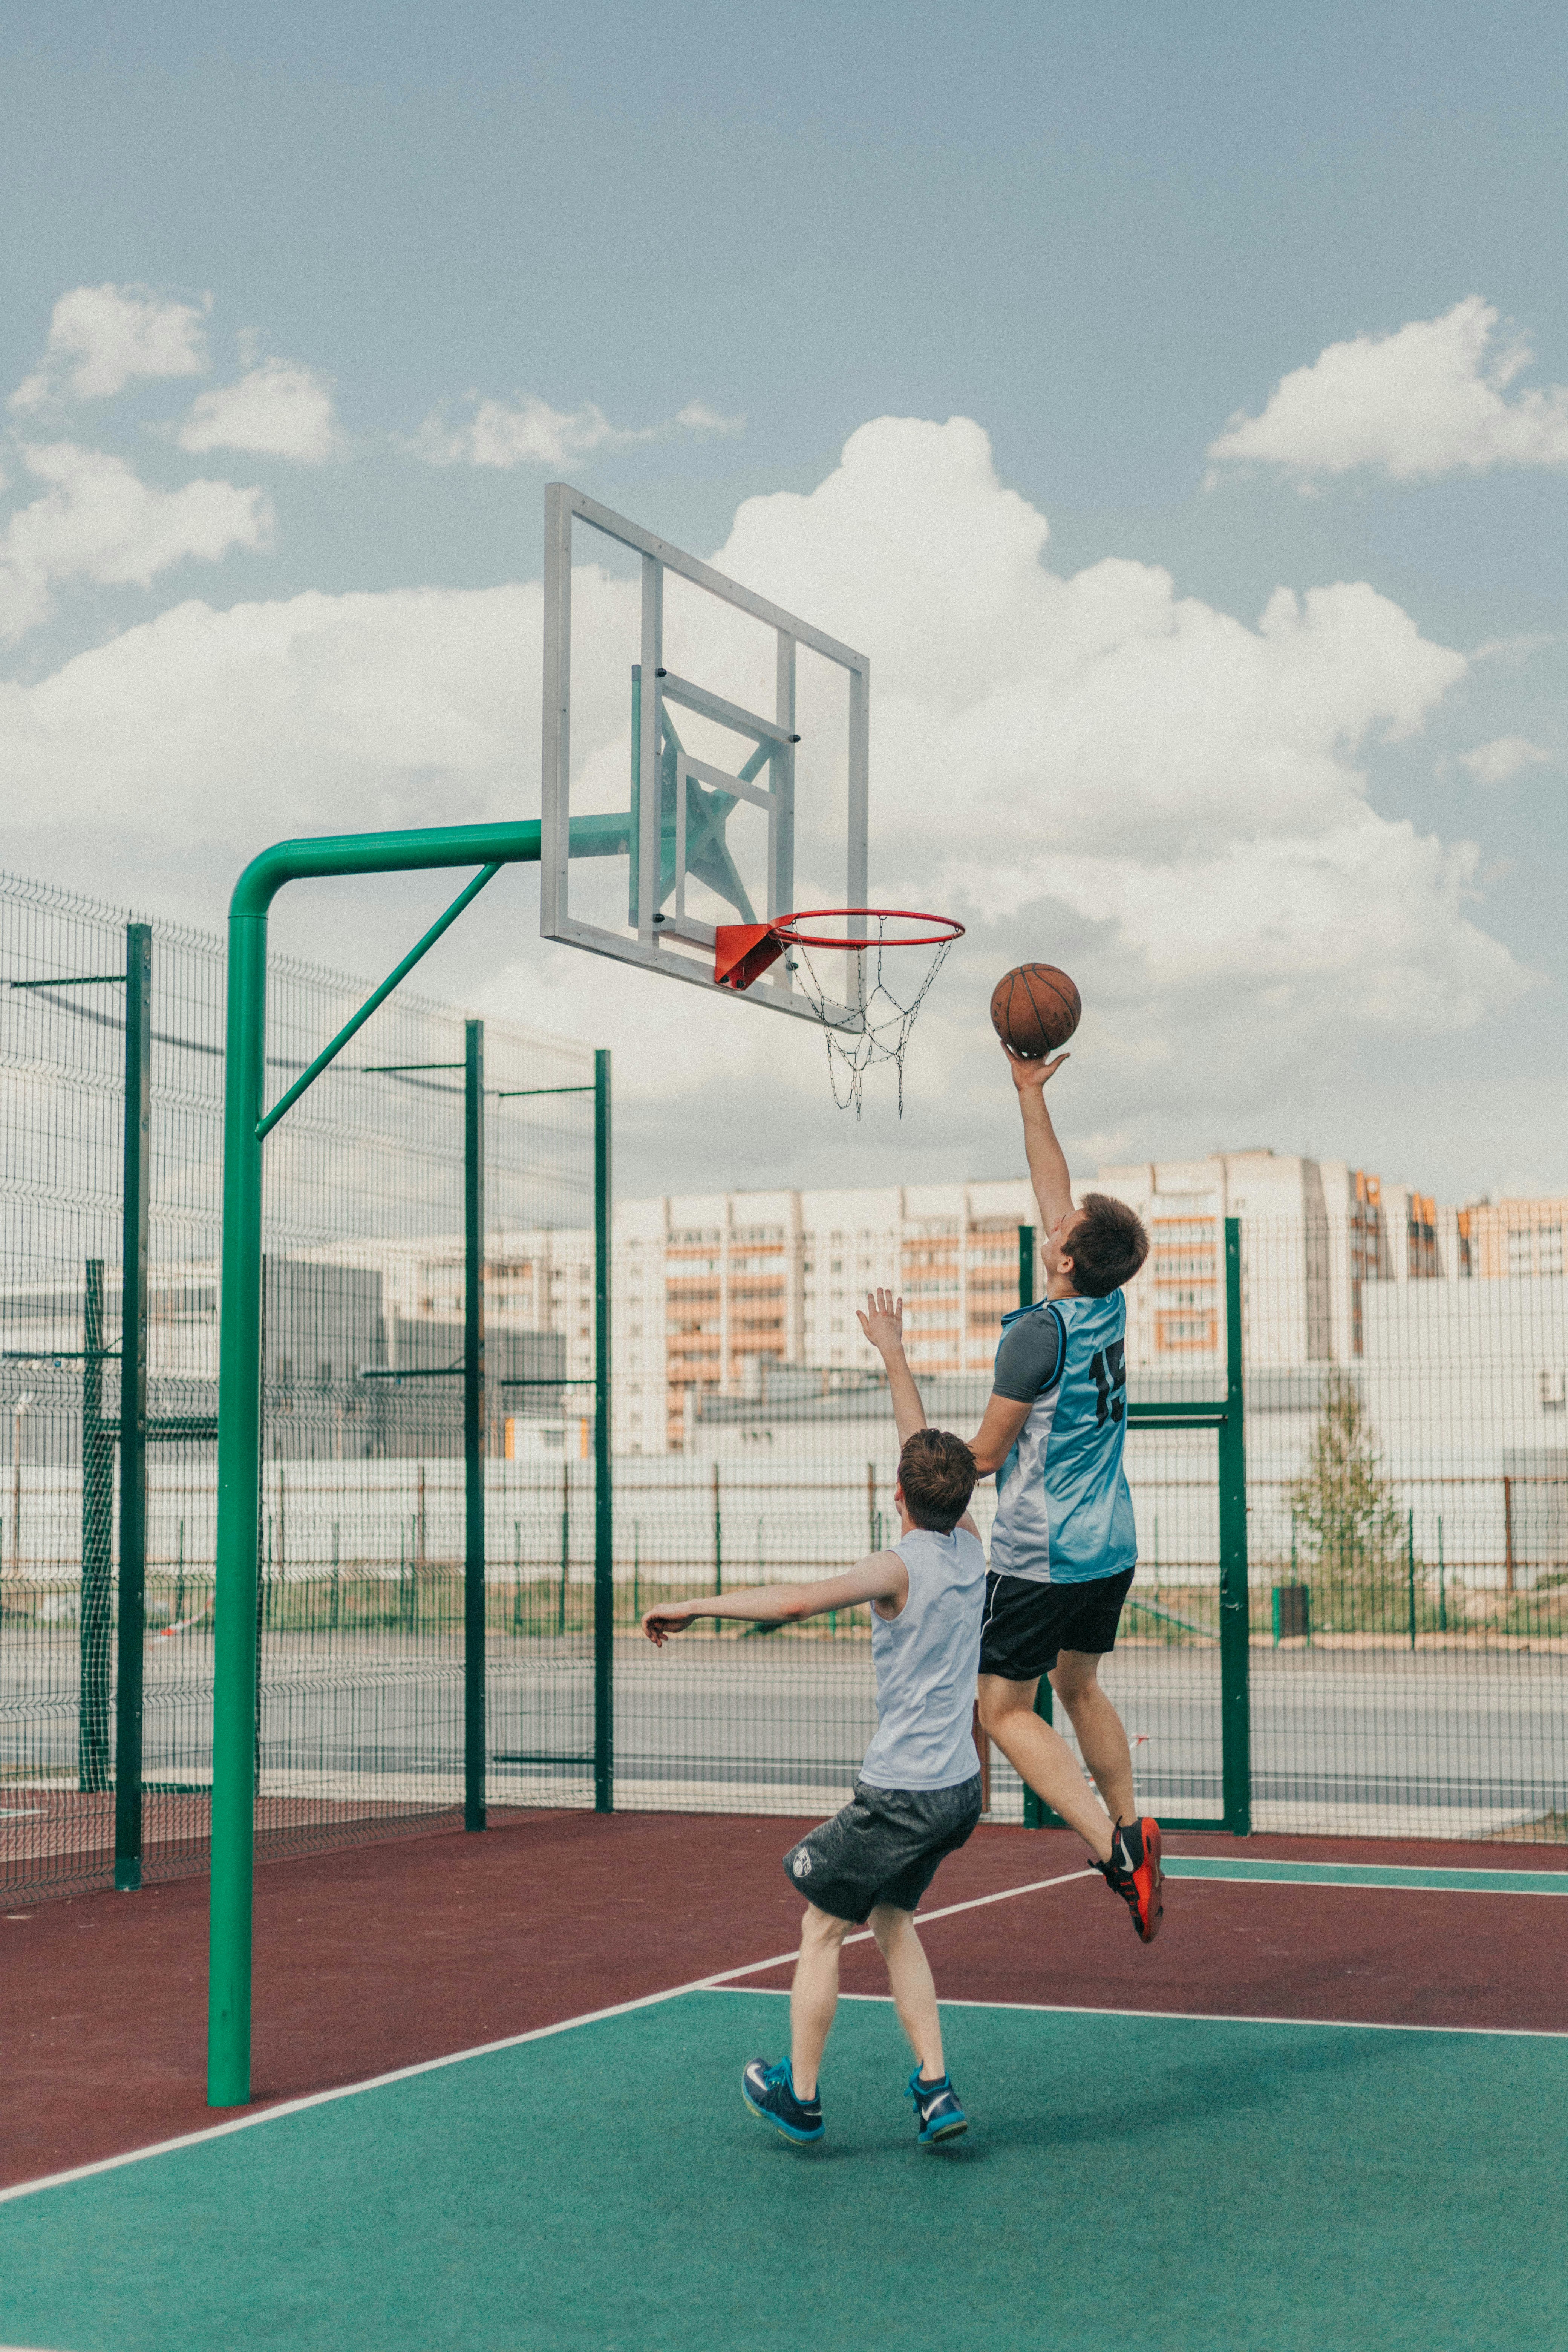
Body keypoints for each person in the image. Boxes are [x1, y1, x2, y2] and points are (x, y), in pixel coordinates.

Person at [860, 1043, 1163, 1943]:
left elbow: (984, 1457)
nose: (1054, 1219)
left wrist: (898, 1368)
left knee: (1003, 1707)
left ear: (1066, 1259)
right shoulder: (1103, 1303)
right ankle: (1133, 1821)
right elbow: (1054, 1187)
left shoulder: (1037, 1334)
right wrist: (1028, 1095)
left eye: (1063, 1226)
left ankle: (1114, 1853)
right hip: (1112, 1541)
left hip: (1045, 1552)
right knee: (1081, 1685)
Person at [642, 1416, 986, 2151]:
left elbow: (795, 1600)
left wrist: (696, 1606)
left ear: (896, 1493)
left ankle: (798, 2098)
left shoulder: (896, 1568)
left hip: (902, 1794)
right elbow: (928, 1460)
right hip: (959, 1790)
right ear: (962, 1498)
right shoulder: (971, 1549)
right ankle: (934, 2088)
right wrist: (893, 1353)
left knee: (821, 1928)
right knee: (892, 1922)